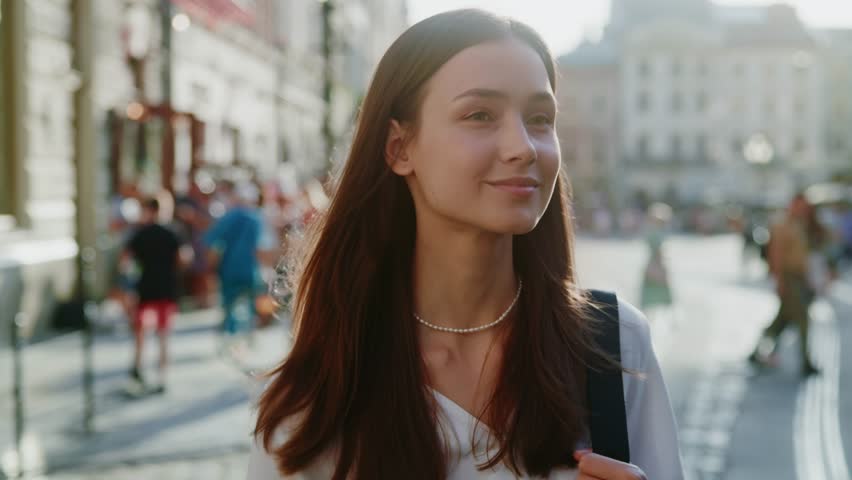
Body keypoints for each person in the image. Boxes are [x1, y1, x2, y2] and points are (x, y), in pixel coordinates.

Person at [248, 10, 682, 480]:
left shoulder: (613, 347)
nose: (523, 147)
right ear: (399, 148)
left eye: (540, 118)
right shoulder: (324, 387)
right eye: (479, 115)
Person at [749, 193, 827, 376]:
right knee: (802, 320)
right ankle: (806, 363)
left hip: (799, 279)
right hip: (789, 279)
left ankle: (754, 353)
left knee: (780, 323)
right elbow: (775, 255)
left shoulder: (799, 224)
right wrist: (779, 281)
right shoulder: (782, 224)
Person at [203, 182, 276, 352]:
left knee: (229, 305)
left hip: (229, 269)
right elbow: (263, 248)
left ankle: (231, 340)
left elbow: (211, 242)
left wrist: (211, 265)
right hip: (251, 270)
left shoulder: (229, 217)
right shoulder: (257, 219)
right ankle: (249, 338)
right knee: (251, 304)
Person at [123, 197, 183, 394]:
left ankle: (138, 369)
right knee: (163, 335)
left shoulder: (139, 234)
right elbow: (183, 258)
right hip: (166, 289)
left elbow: (125, 262)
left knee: (140, 332)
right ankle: (161, 377)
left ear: (148, 211)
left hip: (145, 289)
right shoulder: (172, 232)